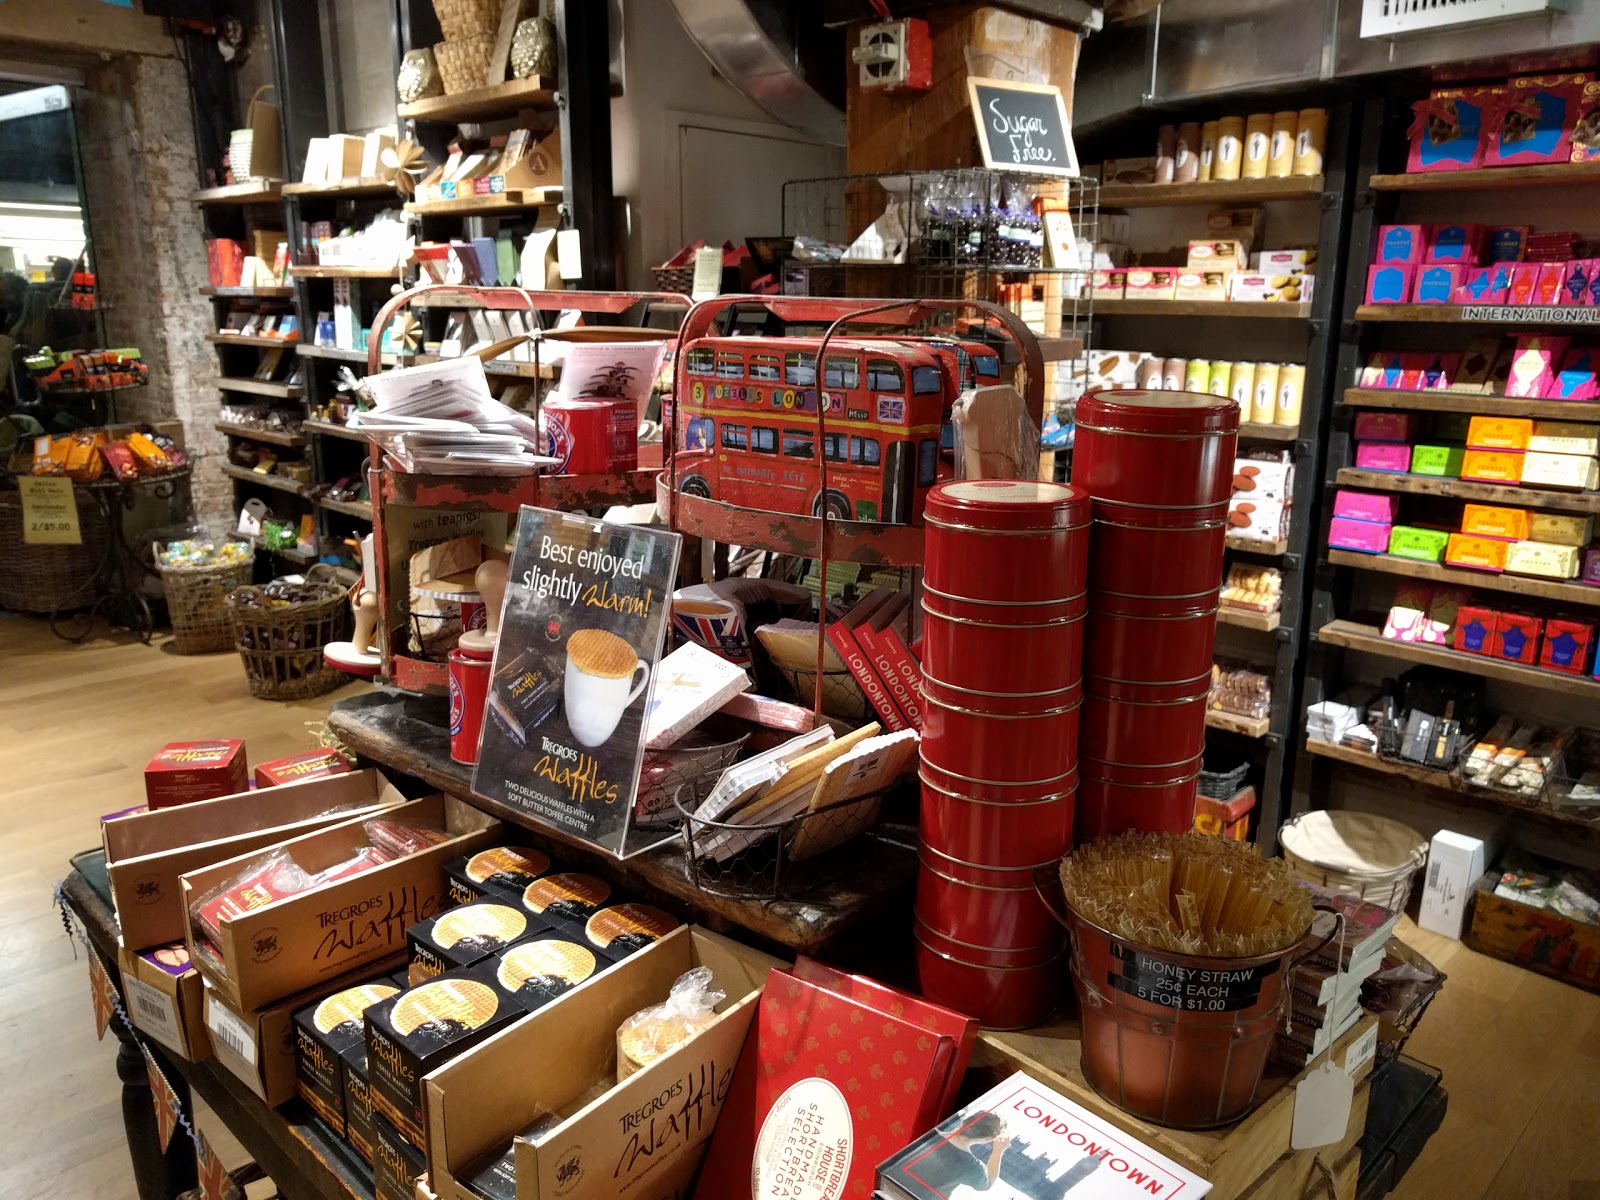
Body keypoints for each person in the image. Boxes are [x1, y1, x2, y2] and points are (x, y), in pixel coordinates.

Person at [910, 1110, 1012, 1194]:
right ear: (987, 1139)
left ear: (965, 1120)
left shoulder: (925, 1132)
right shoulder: (972, 1166)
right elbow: (987, 1184)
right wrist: (998, 1151)